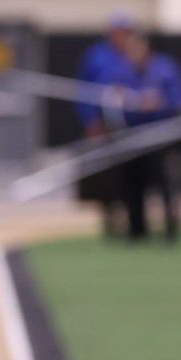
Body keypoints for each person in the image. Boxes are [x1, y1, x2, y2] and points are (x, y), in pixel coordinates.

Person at [118, 31, 181, 242]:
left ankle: (170, 231)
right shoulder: (124, 71)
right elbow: (116, 100)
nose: (133, 52)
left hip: (160, 136)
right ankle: (137, 231)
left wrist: (159, 103)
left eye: (136, 47)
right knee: (132, 183)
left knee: (165, 183)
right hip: (133, 135)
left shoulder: (165, 68)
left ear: (146, 47)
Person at [74, 13, 135, 234]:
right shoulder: (97, 56)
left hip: (132, 126)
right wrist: (92, 121)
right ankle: (109, 214)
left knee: (131, 173)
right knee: (106, 174)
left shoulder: (134, 53)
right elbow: (84, 90)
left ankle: (132, 215)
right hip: (104, 125)